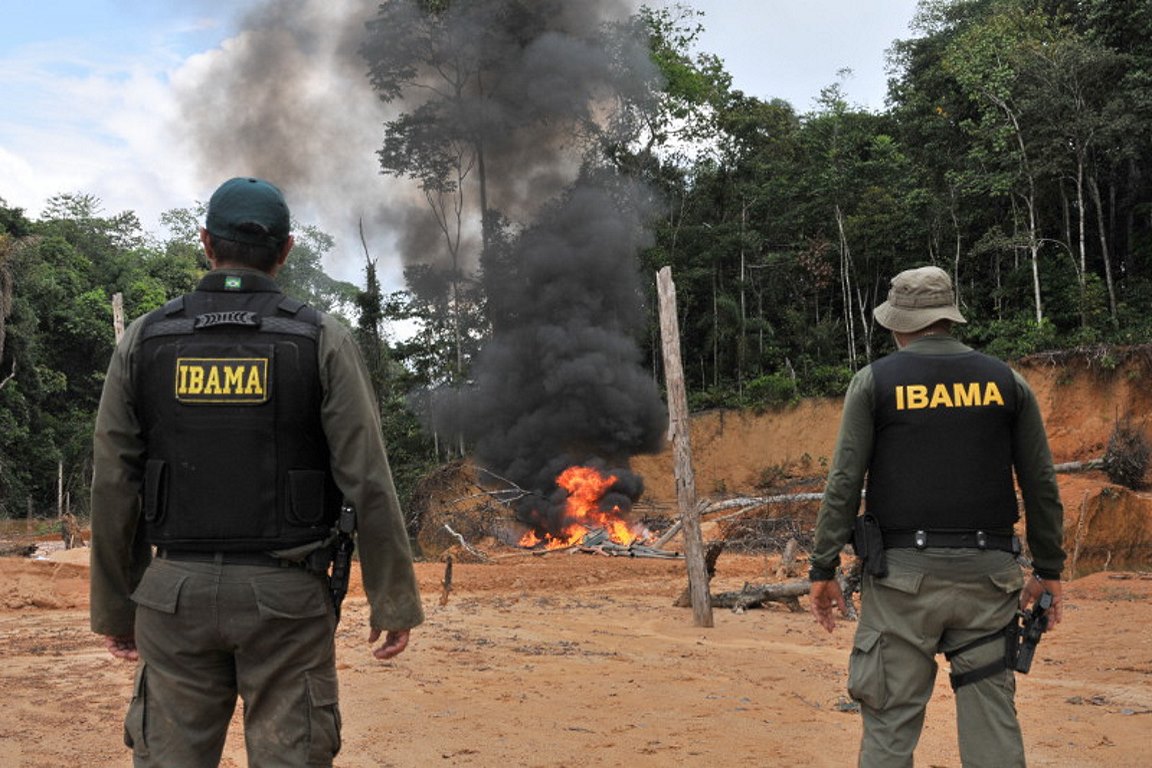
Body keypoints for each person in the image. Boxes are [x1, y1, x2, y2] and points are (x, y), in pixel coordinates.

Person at [90, 177, 425, 767]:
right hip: (287, 599)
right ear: (286, 249)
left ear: (204, 242)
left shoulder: (145, 339)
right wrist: (391, 600)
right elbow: (366, 477)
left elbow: (114, 484)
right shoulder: (320, 338)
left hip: (173, 599)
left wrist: (117, 609)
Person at [807, 265, 1065, 768]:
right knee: (992, 721)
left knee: (888, 721)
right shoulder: (1006, 383)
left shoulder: (874, 382)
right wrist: (1049, 570)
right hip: (988, 583)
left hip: (902, 585)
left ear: (898, 322)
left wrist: (823, 568)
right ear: (948, 318)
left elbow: (844, 482)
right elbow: (1041, 485)